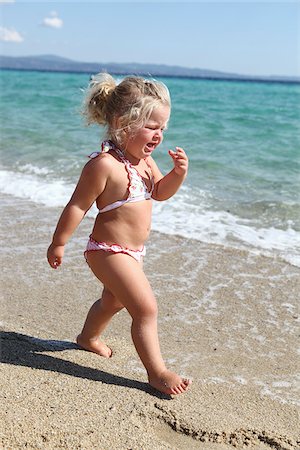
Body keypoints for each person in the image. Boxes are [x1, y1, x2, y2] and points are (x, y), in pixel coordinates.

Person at [47, 72, 191, 395]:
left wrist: (178, 174)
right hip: (106, 251)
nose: (159, 136)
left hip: (132, 252)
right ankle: (157, 372)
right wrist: (59, 243)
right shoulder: (104, 166)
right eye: (152, 127)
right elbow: (76, 207)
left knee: (112, 301)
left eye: (163, 129)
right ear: (122, 122)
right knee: (146, 309)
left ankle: (88, 338)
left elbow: (160, 192)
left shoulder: (145, 161)